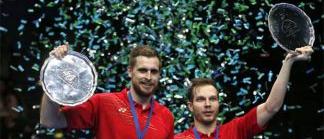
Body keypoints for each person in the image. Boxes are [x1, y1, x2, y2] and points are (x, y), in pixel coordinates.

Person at [40, 43, 174, 139]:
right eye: (142, 70)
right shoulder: (103, 103)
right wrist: (53, 77)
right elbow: (50, 120)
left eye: (154, 72)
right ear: (130, 71)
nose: (148, 77)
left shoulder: (166, 116)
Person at [175, 46, 313, 139]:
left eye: (212, 99)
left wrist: (288, 62)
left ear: (218, 103)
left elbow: (272, 107)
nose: (207, 104)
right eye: (200, 99)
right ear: (190, 106)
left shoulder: (235, 129)